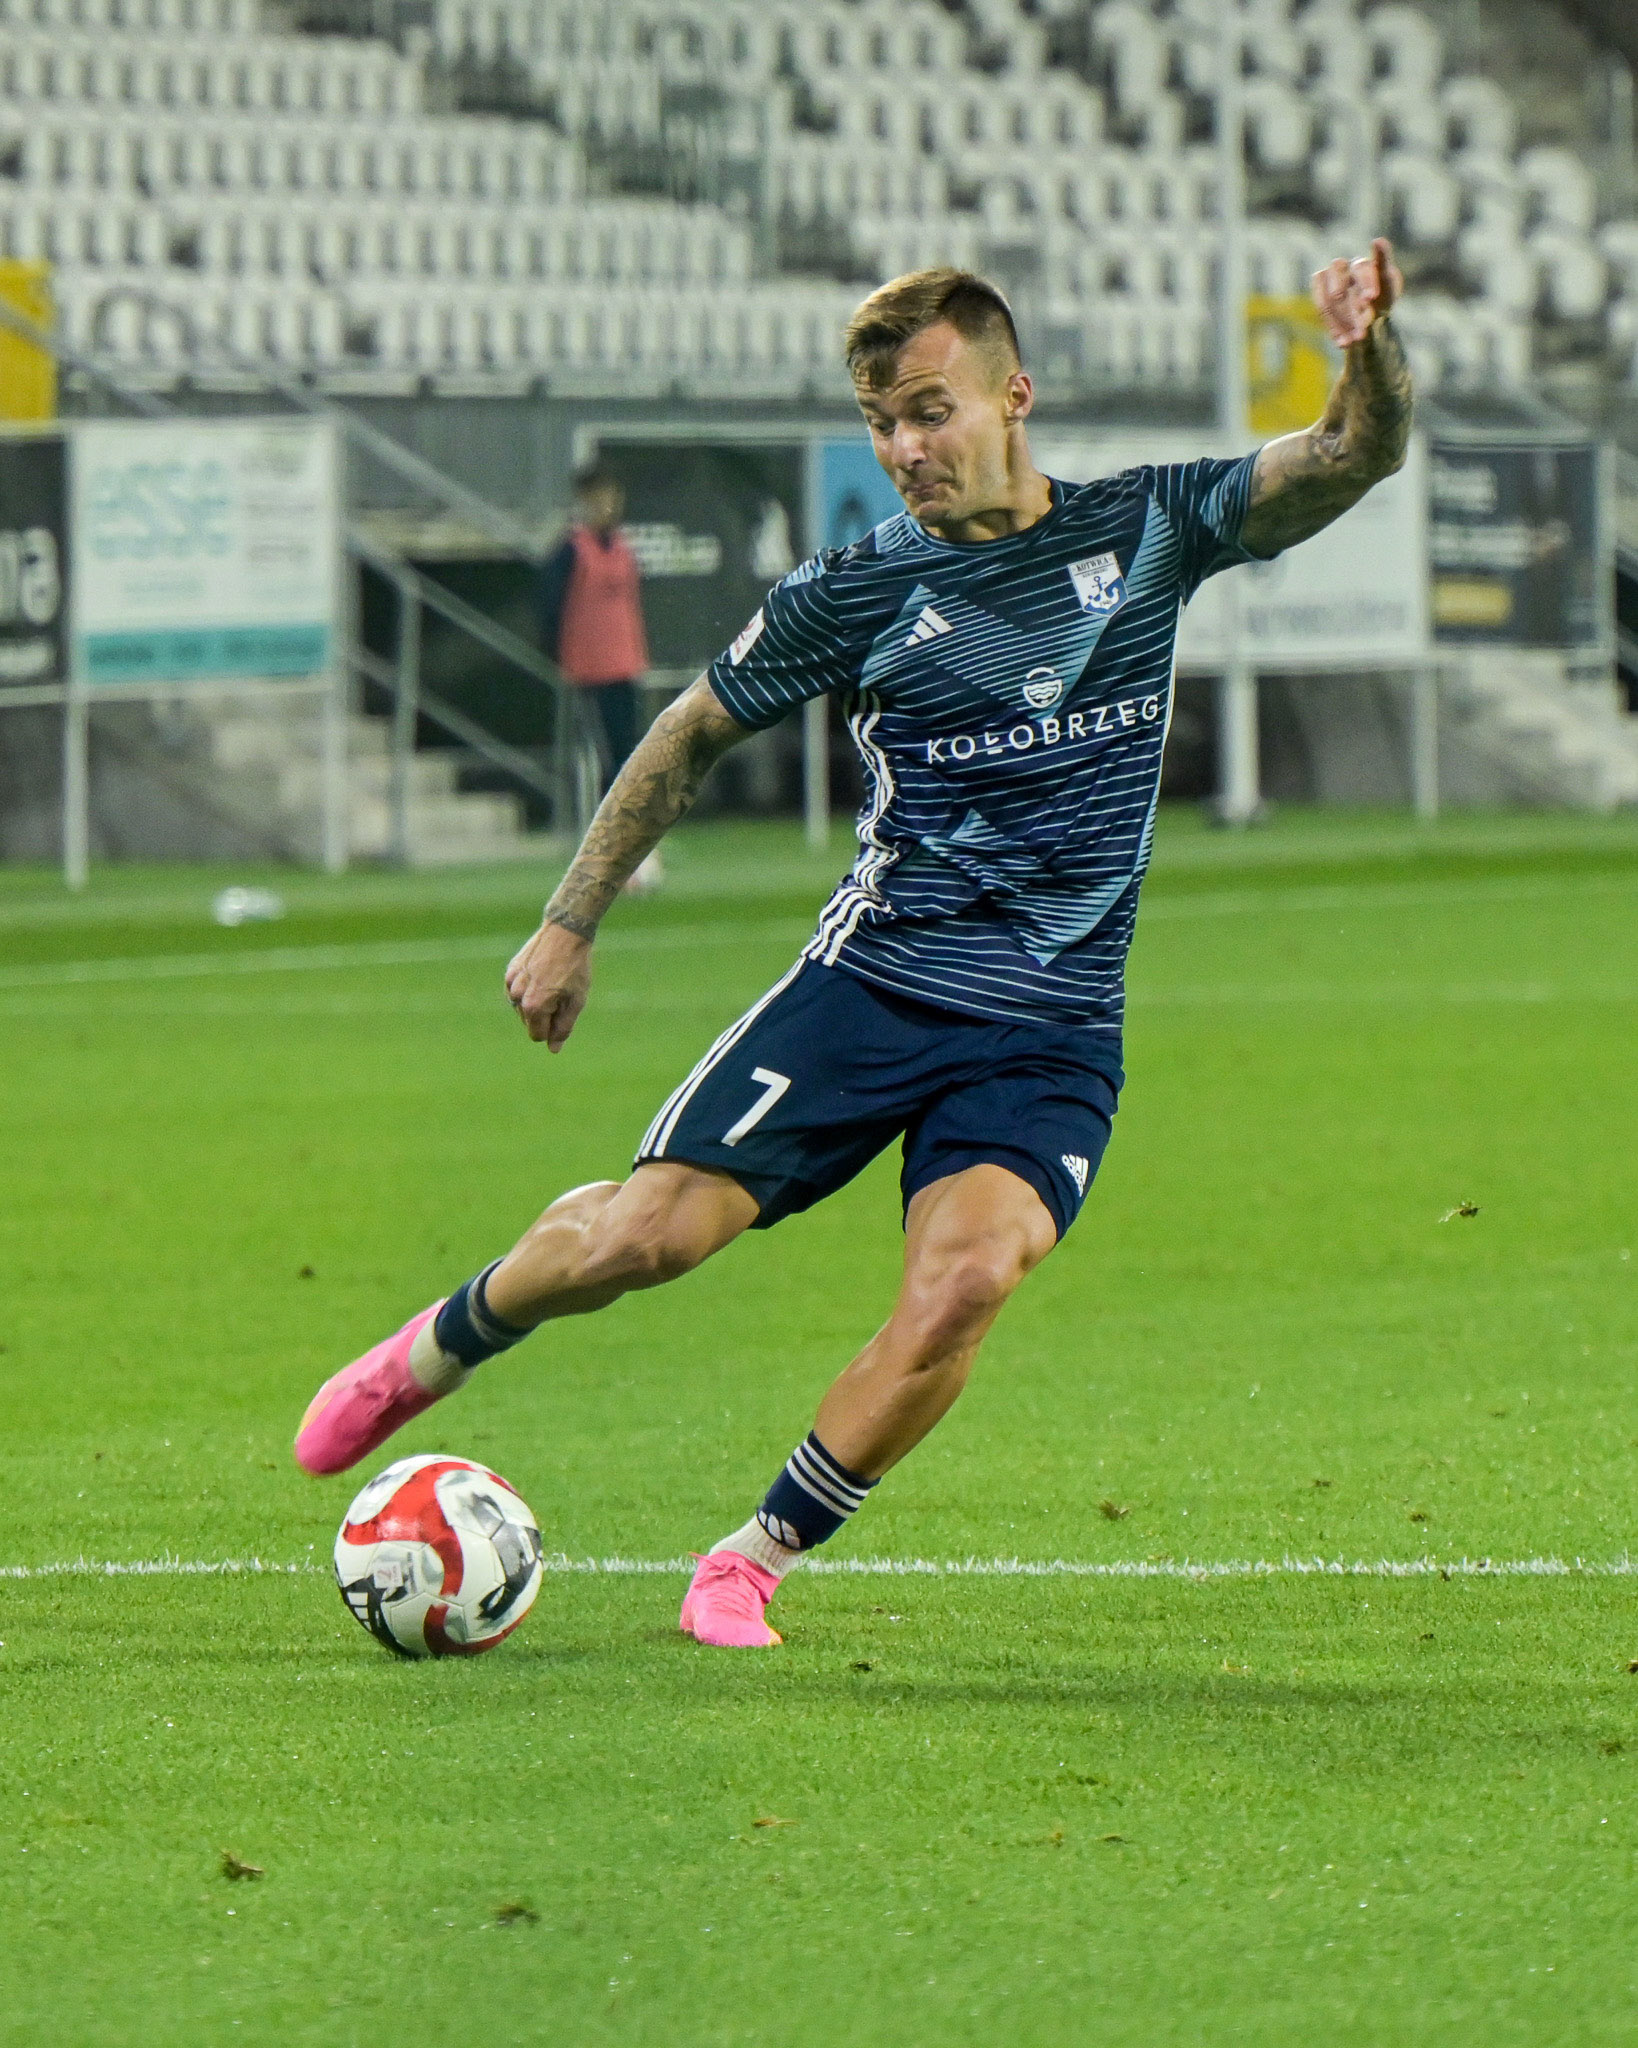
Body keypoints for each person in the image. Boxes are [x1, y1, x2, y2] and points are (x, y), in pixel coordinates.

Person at [296, 244, 1413, 1649]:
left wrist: (1365, 348)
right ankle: (439, 1345)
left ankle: (751, 1557)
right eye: (882, 423)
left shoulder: (1150, 528)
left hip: (1051, 1029)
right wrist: (569, 921)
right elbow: (686, 733)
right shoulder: (857, 590)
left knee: (966, 1282)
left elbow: (1354, 452)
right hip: (869, 991)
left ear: (1013, 396)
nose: (904, 449)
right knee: (648, 1237)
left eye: (930, 412)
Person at [537, 463, 649, 793]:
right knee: (599, 753)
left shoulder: (623, 549)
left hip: (624, 664)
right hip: (588, 670)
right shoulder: (572, 550)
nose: (608, 507)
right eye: (599, 499)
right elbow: (550, 605)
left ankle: (625, 817)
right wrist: (556, 652)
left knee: (628, 750)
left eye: (612, 499)